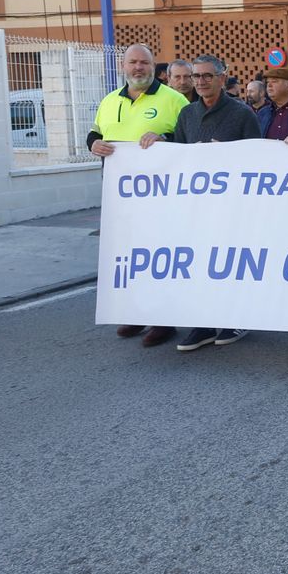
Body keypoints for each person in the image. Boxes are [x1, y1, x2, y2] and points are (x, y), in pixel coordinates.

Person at [141, 55, 260, 351]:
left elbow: (258, 161)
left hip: (232, 206)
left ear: (222, 77)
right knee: (200, 264)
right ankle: (203, 324)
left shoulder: (243, 114)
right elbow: (180, 156)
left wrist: (227, 155)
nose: (201, 81)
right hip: (197, 205)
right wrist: (161, 142)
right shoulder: (187, 115)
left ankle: (236, 319)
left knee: (230, 263)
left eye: (208, 75)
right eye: (196, 76)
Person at [89, 44, 189, 348]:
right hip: (122, 196)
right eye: (132, 62)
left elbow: (187, 139)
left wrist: (163, 139)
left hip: (162, 195)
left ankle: (164, 319)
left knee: (159, 255)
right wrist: (92, 144)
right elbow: (95, 133)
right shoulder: (109, 101)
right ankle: (136, 311)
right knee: (129, 255)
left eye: (143, 63)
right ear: (123, 65)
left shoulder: (174, 99)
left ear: (153, 65)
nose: (138, 68)